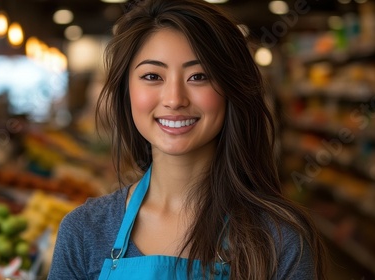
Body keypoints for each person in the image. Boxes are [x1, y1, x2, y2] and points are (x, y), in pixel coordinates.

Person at [48, 0, 327, 279]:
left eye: (199, 76)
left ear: (231, 91)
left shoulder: (280, 240)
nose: (174, 99)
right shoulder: (83, 231)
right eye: (152, 76)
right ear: (127, 92)